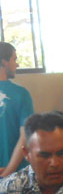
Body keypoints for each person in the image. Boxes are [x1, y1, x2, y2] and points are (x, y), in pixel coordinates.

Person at [0, 42, 33, 176]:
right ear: (4, 62)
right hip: (17, 174)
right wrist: (8, 173)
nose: (17, 64)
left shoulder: (21, 93)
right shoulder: (21, 94)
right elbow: (24, 136)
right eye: (14, 59)